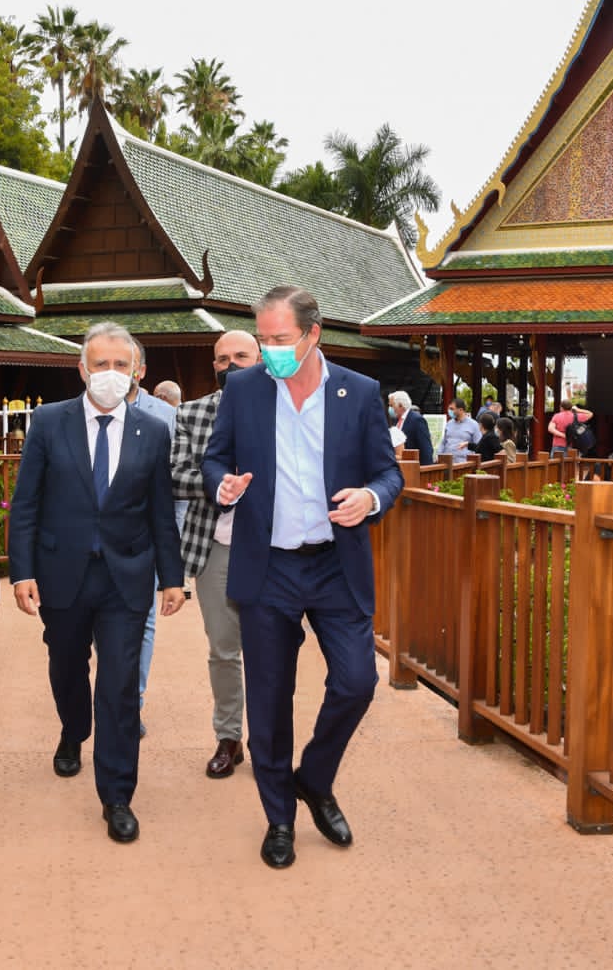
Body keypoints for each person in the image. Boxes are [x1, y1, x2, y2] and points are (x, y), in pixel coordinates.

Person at [203, 286, 404, 869]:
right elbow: (216, 457)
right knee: (268, 701)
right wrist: (223, 485)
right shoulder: (242, 389)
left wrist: (370, 497)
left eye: (280, 340)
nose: (269, 352)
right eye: (263, 340)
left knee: (356, 683)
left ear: (313, 335)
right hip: (267, 567)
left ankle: (314, 778)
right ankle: (280, 820)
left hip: (334, 564)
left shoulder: (358, 393)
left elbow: (387, 474)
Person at [7, 322, 185, 844]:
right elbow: (26, 505)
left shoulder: (152, 432)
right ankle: (72, 730)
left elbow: (159, 513)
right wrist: (22, 571)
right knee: (66, 666)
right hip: (62, 574)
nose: (110, 374)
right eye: (100, 364)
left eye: (120, 365)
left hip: (125, 578)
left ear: (136, 372)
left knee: (119, 684)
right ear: (82, 368)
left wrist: (172, 579)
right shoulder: (48, 422)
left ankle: (117, 795)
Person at [171, 328, 261, 779]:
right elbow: (176, 474)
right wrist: (217, 484)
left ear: (261, 357)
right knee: (224, 649)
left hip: (274, 548)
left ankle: (268, 738)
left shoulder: (287, 409)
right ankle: (229, 736)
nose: (231, 366)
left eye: (241, 356)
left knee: (271, 648)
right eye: (223, 360)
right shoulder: (192, 413)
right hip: (217, 545)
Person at [126, 339, 179, 737]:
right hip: (91, 544)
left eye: (123, 364)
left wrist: (170, 549)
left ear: (141, 370)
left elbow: (174, 489)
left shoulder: (166, 417)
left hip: (145, 542)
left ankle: (132, 704)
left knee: (143, 624)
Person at [387, 390, 434, 465]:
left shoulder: (417, 420)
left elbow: (426, 448)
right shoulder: (395, 421)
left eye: (391, 405)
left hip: (414, 468)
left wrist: (424, 470)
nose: (389, 409)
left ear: (400, 405)